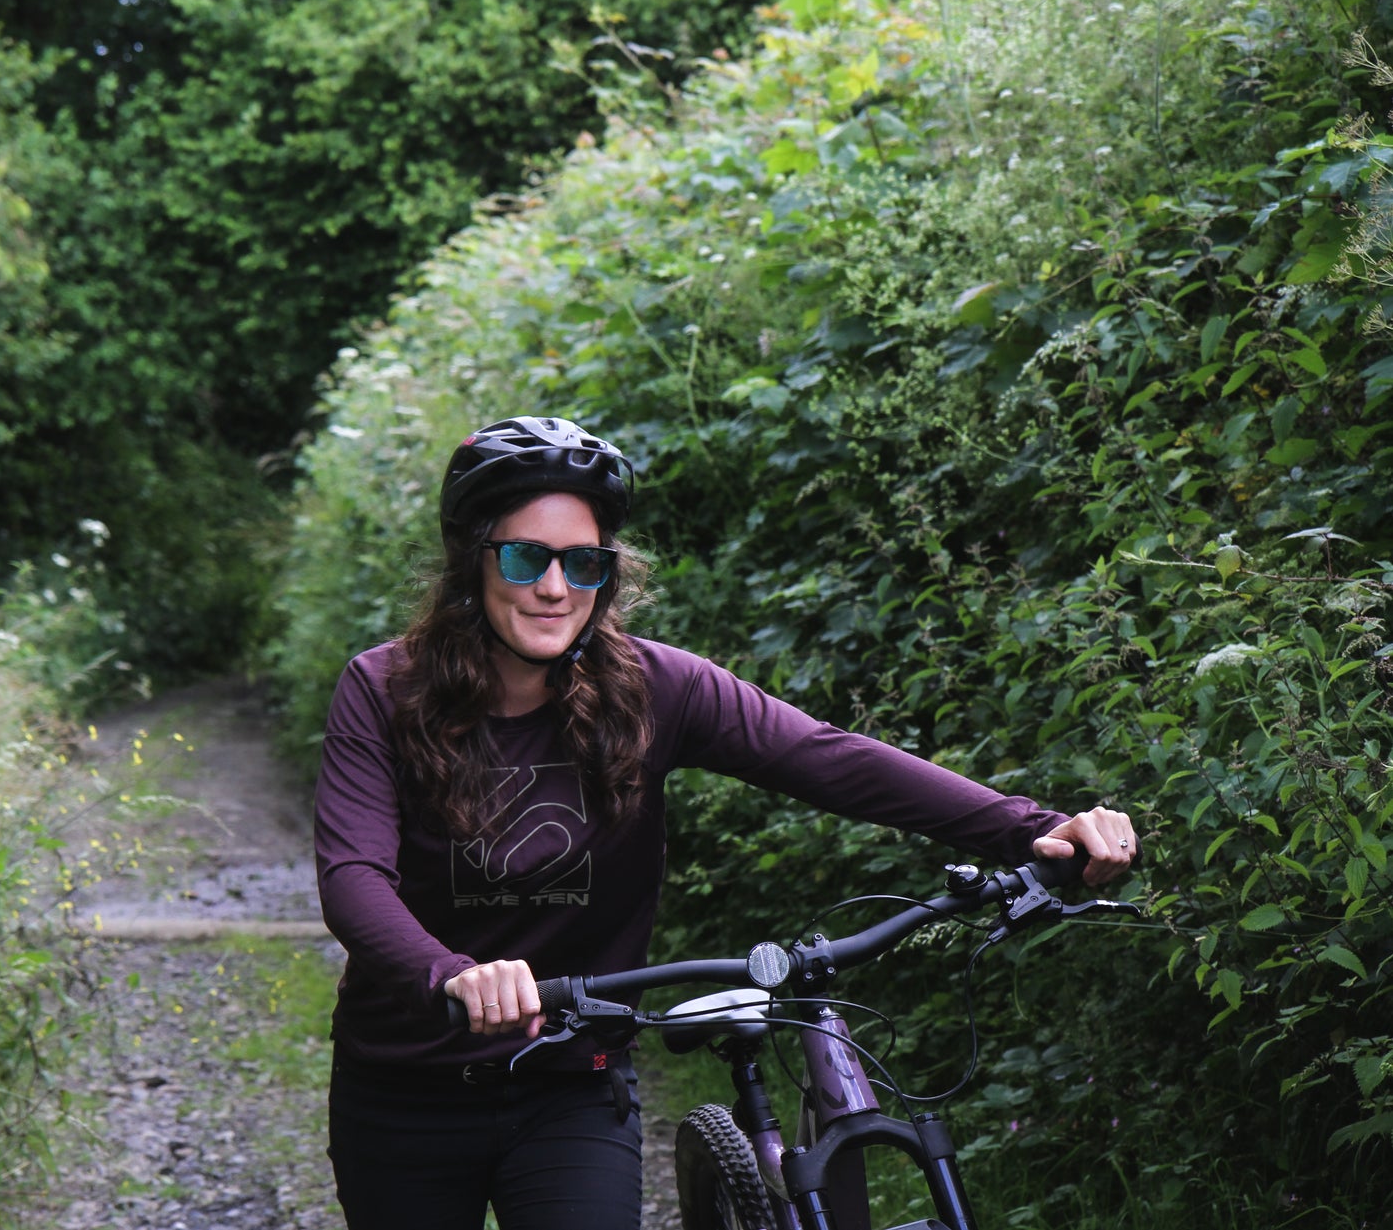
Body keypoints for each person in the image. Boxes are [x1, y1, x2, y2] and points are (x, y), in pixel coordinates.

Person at [313, 415, 1137, 1230]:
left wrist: (1035, 827)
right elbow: (354, 878)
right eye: (526, 556)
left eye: (584, 561)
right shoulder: (385, 689)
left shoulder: (657, 687)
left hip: (568, 1082)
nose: (555, 587)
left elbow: (829, 757)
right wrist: (451, 972)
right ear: (474, 562)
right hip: (406, 1088)